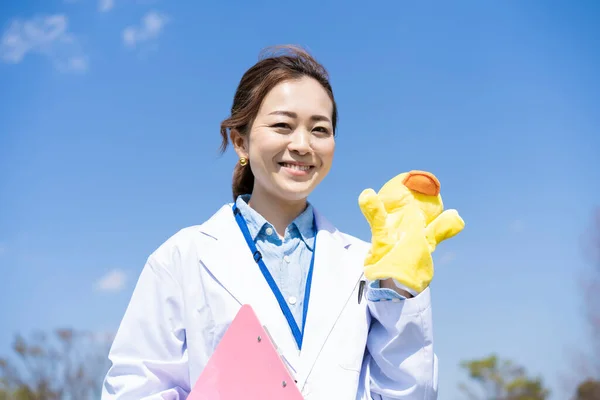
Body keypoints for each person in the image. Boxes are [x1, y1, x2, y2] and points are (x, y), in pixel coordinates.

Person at [101, 45, 437, 400]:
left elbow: (410, 392)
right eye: (283, 125)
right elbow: (135, 389)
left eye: (319, 129)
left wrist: (399, 293)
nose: (303, 144)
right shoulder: (181, 257)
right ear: (240, 142)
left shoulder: (370, 264)